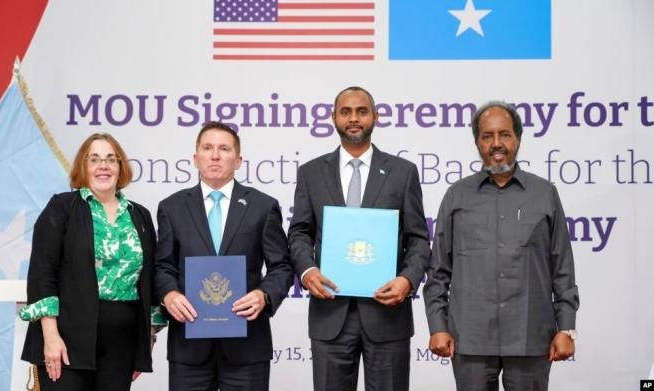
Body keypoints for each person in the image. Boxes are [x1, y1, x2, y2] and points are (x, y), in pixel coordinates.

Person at [423, 101, 580, 391]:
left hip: (530, 336)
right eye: (487, 136)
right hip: (470, 338)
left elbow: (562, 270)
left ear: (518, 139)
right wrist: (438, 326)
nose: (497, 144)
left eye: (505, 135)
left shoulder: (544, 194)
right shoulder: (457, 196)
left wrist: (567, 327)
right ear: (477, 142)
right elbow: (437, 273)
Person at [288, 86, 431, 391]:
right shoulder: (311, 173)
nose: (354, 118)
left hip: (388, 314)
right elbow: (299, 232)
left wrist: (407, 280)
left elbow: (418, 238)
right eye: (346, 112)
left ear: (375, 117)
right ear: (333, 118)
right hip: (330, 314)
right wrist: (308, 270)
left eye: (362, 111)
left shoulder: (402, 172)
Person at [154, 121, 293, 391]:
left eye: (224, 149)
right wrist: (169, 294)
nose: (215, 155)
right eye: (207, 148)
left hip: (247, 346)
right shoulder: (172, 207)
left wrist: (263, 296)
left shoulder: (263, 206)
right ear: (195, 158)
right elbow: (162, 266)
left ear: (238, 160)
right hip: (189, 345)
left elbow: (281, 267)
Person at [19, 133, 160, 390]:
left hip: (122, 345)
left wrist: (147, 340)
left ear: (120, 167)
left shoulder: (140, 215)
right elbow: (43, 272)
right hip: (67, 341)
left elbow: (150, 278)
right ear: (83, 167)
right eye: (94, 159)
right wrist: (50, 337)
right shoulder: (62, 207)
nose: (103, 166)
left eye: (110, 159)